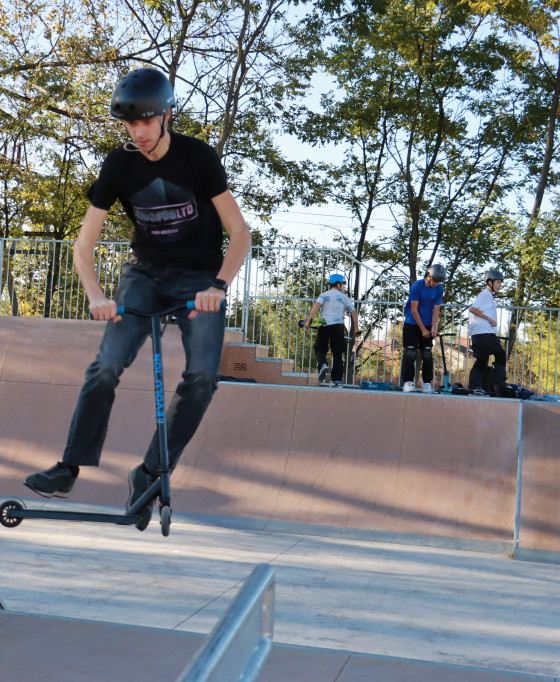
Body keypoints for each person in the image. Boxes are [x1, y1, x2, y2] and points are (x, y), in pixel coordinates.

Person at [22, 67, 252, 530]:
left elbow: (241, 233)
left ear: (167, 115)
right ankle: (69, 468)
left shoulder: (198, 158)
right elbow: (83, 244)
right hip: (144, 275)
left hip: (200, 278)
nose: (139, 133)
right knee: (107, 364)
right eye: (130, 124)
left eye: (147, 122)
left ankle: (148, 472)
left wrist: (218, 286)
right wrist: (95, 295)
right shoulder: (119, 165)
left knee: (204, 378)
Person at [302, 274, 359, 387]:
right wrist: (356, 328)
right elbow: (353, 313)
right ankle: (337, 380)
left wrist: (308, 321)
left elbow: (316, 307)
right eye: (343, 285)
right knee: (337, 352)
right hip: (338, 326)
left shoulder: (324, 295)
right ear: (338, 284)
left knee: (320, 347)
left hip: (325, 325)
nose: (343, 287)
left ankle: (323, 365)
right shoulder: (345, 298)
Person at [401, 264, 445, 393]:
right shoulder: (417, 286)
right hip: (412, 322)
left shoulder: (439, 289)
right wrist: (423, 330)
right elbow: (414, 310)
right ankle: (408, 382)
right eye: (436, 280)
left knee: (427, 354)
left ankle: (427, 383)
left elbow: (436, 310)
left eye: (439, 281)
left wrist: (432, 328)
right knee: (411, 353)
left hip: (427, 323)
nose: (437, 284)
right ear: (429, 276)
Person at [467, 269, 506, 395]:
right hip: (484, 332)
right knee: (500, 354)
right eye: (498, 282)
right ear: (490, 282)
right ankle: (498, 384)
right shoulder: (485, 294)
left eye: (501, 283)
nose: (500, 285)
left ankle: (475, 387)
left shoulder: (488, 296)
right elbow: (473, 309)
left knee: (482, 360)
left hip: (478, 333)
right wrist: (490, 319)